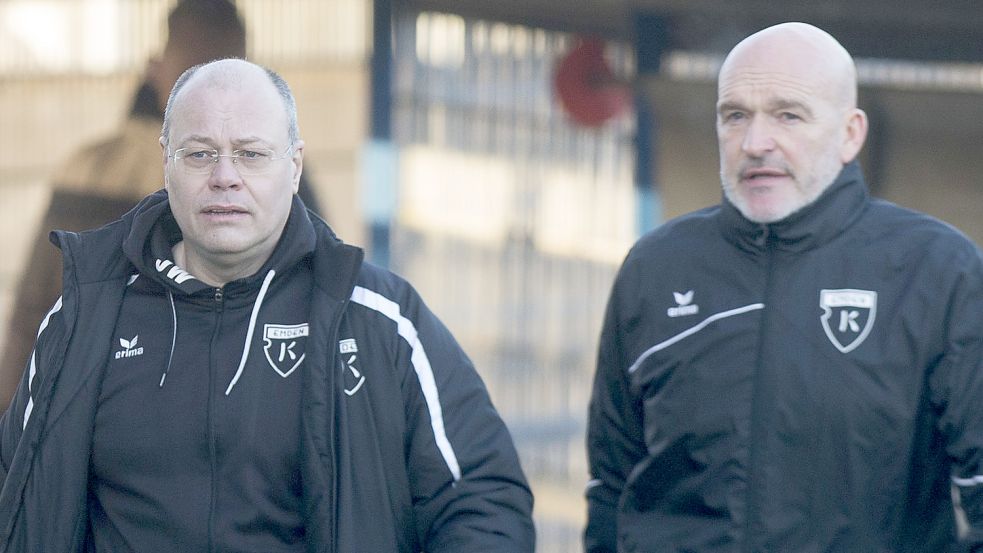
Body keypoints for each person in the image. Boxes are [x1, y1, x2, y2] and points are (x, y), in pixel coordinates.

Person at [0, 58, 534, 551]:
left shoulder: (377, 321)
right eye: (200, 153)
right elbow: (15, 487)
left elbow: (483, 500)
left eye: (251, 154)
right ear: (167, 164)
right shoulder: (84, 319)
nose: (225, 175)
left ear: (295, 167)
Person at [584, 22, 983, 552]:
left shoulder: (937, 272)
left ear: (850, 134)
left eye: (788, 115)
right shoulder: (656, 268)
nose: (755, 143)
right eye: (735, 116)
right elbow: (611, 486)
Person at [0, 0, 323, 411]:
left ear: (156, 66)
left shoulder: (85, 166)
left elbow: (32, 313)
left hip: (92, 409)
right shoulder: (270, 171)